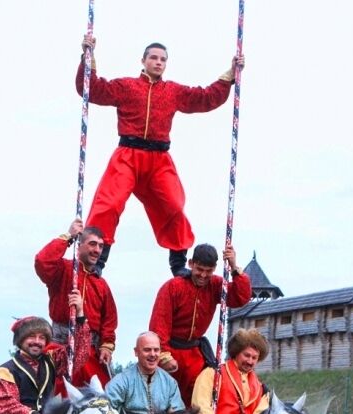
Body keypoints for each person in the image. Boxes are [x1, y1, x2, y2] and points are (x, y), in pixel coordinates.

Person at [76, 36, 245, 276]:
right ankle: (97, 260)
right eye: (153, 58)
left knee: (174, 206)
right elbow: (93, 90)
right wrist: (88, 57)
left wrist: (230, 74)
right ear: (143, 61)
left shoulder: (173, 91)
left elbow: (205, 98)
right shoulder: (125, 86)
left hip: (159, 158)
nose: (158, 62)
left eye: (163, 59)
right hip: (128, 155)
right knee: (108, 204)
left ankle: (178, 264)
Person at [149, 241, 252, 405]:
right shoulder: (173, 287)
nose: (203, 275)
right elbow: (159, 324)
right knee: (164, 398)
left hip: (196, 355)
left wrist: (234, 267)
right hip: (170, 352)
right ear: (191, 264)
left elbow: (240, 297)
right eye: (199, 270)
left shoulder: (217, 285)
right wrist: (163, 356)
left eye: (209, 271)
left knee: (199, 399)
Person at [34, 219, 118, 387]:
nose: (97, 250)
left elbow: (109, 321)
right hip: (60, 348)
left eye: (100, 246)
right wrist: (68, 236)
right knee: (53, 399)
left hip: (91, 354)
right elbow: (42, 262)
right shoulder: (64, 270)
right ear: (78, 246)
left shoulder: (102, 285)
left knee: (102, 400)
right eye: (92, 244)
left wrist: (107, 346)